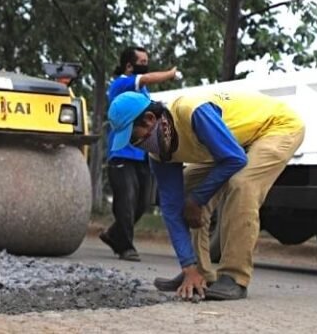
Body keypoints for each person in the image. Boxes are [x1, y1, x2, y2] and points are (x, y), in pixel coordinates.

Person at [108, 91, 304, 300]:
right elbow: (172, 208)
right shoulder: (158, 154)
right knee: (185, 191)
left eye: (133, 136)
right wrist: (188, 266)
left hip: (276, 127)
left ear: (150, 120)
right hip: (235, 142)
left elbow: (234, 159)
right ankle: (198, 272)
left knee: (242, 184)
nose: (135, 144)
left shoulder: (191, 112)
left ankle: (234, 276)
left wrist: (198, 200)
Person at [99, 47, 178, 262]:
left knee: (142, 202)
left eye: (147, 60)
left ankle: (114, 234)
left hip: (141, 154)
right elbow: (148, 77)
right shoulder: (121, 84)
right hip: (121, 153)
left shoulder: (143, 94)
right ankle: (125, 246)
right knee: (126, 200)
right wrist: (171, 74)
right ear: (129, 66)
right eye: (142, 60)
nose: (146, 63)